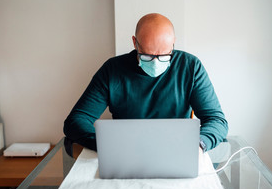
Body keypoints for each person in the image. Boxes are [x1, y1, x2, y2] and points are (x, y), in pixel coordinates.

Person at [63, 13, 228, 154]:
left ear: (173, 44)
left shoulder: (190, 67)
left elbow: (216, 120)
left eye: (164, 56)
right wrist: (107, 144)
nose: (156, 63)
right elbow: (76, 120)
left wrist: (198, 145)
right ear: (135, 43)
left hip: (177, 150)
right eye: (147, 56)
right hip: (125, 152)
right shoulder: (112, 70)